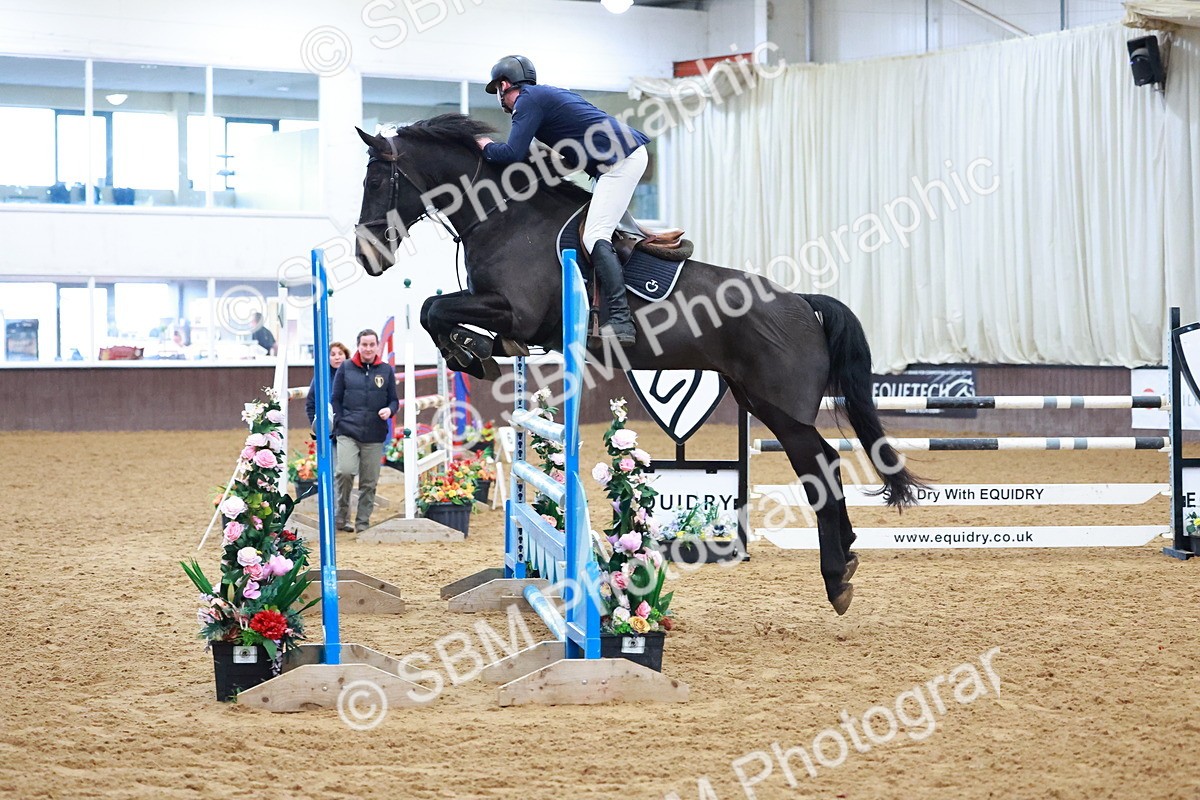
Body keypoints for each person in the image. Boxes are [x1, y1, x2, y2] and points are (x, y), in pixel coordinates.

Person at [478, 54, 649, 347]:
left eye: (498, 91)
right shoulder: (541, 97)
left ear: (504, 85)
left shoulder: (527, 102)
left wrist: (484, 145)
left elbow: (510, 154)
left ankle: (622, 319)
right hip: (617, 161)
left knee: (596, 235)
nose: (500, 98)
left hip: (620, 162)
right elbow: (561, 159)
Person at [330, 329, 397, 532]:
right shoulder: (346, 368)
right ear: (358, 346)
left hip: (374, 434)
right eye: (364, 344)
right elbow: (336, 398)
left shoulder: (386, 370)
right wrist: (341, 421)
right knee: (345, 471)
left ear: (377, 346)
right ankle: (342, 515)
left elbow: (394, 400)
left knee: (369, 482)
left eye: (371, 344)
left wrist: (390, 410)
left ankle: (362, 523)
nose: (368, 348)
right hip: (348, 431)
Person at [306, 341, 350, 428]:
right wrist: (317, 427)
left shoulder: (355, 374)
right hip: (329, 427)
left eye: (340, 354)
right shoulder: (321, 377)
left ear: (346, 356)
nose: (337, 357)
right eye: (333, 354)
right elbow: (310, 403)